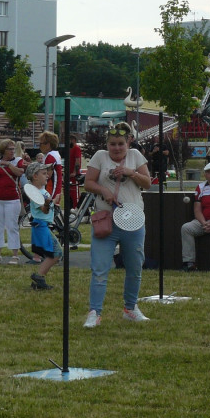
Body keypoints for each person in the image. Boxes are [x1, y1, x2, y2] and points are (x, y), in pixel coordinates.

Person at [83, 123, 152, 327]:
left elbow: (147, 183)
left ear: (128, 142)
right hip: (106, 220)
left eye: (121, 144)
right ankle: (95, 312)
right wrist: (103, 191)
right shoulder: (99, 157)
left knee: (134, 267)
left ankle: (130, 308)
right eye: (112, 144)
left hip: (133, 219)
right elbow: (88, 183)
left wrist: (131, 172)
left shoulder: (136, 156)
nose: (117, 148)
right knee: (100, 268)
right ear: (107, 144)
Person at [25, 162, 59, 291]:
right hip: (41, 225)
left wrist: (53, 201)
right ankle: (39, 276)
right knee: (56, 254)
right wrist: (49, 203)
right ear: (35, 176)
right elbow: (44, 210)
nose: (47, 176)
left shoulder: (42, 191)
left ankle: (39, 278)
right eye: (44, 174)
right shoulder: (35, 193)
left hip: (42, 225)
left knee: (54, 254)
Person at [37, 132, 63, 207]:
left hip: (51, 188)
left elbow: (47, 175)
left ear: (48, 145)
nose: (40, 146)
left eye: (41, 144)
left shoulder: (50, 156)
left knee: (48, 210)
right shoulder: (55, 154)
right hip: (55, 186)